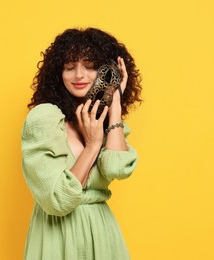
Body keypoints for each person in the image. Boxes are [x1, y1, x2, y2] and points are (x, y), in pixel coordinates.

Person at [21, 27, 142, 260]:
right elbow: (58, 200)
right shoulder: (45, 119)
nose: (79, 75)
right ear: (58, 73)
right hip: (57, 235)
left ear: (108, 72)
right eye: (69, 67)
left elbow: (116, 168)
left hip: (101, 232)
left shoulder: (106, 121)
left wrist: (114, 104)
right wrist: (93, 146)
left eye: (90, 66)